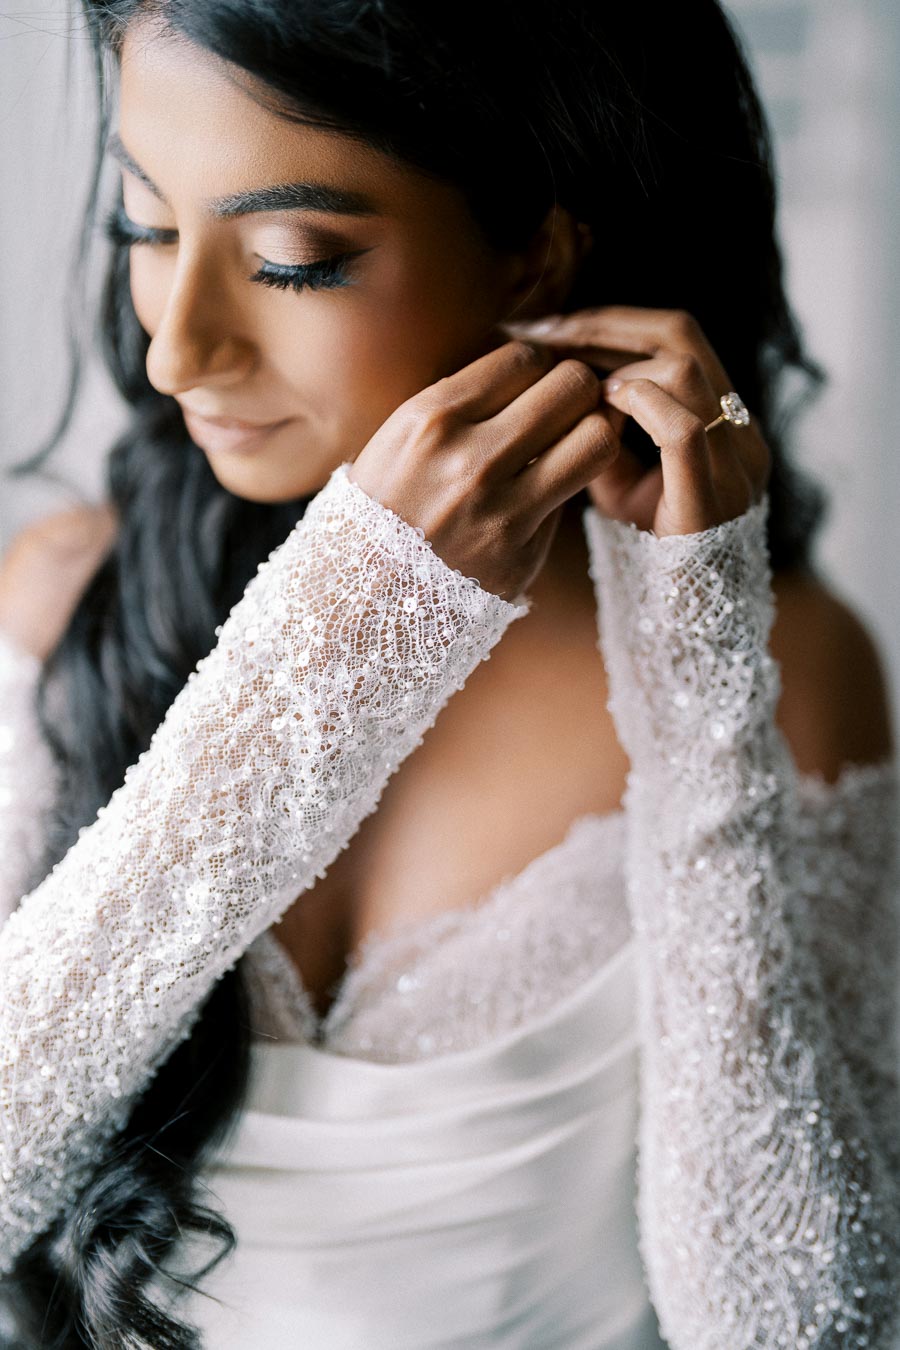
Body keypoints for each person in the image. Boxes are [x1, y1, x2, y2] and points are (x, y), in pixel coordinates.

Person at [0, 0, 898, 1345]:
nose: (175, 348)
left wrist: (694, 660)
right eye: (148, 224)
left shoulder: (785, 662)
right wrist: (346, 636)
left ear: (542, 246)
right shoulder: (70, 587)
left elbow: (793, 1322)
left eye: (295, 258)